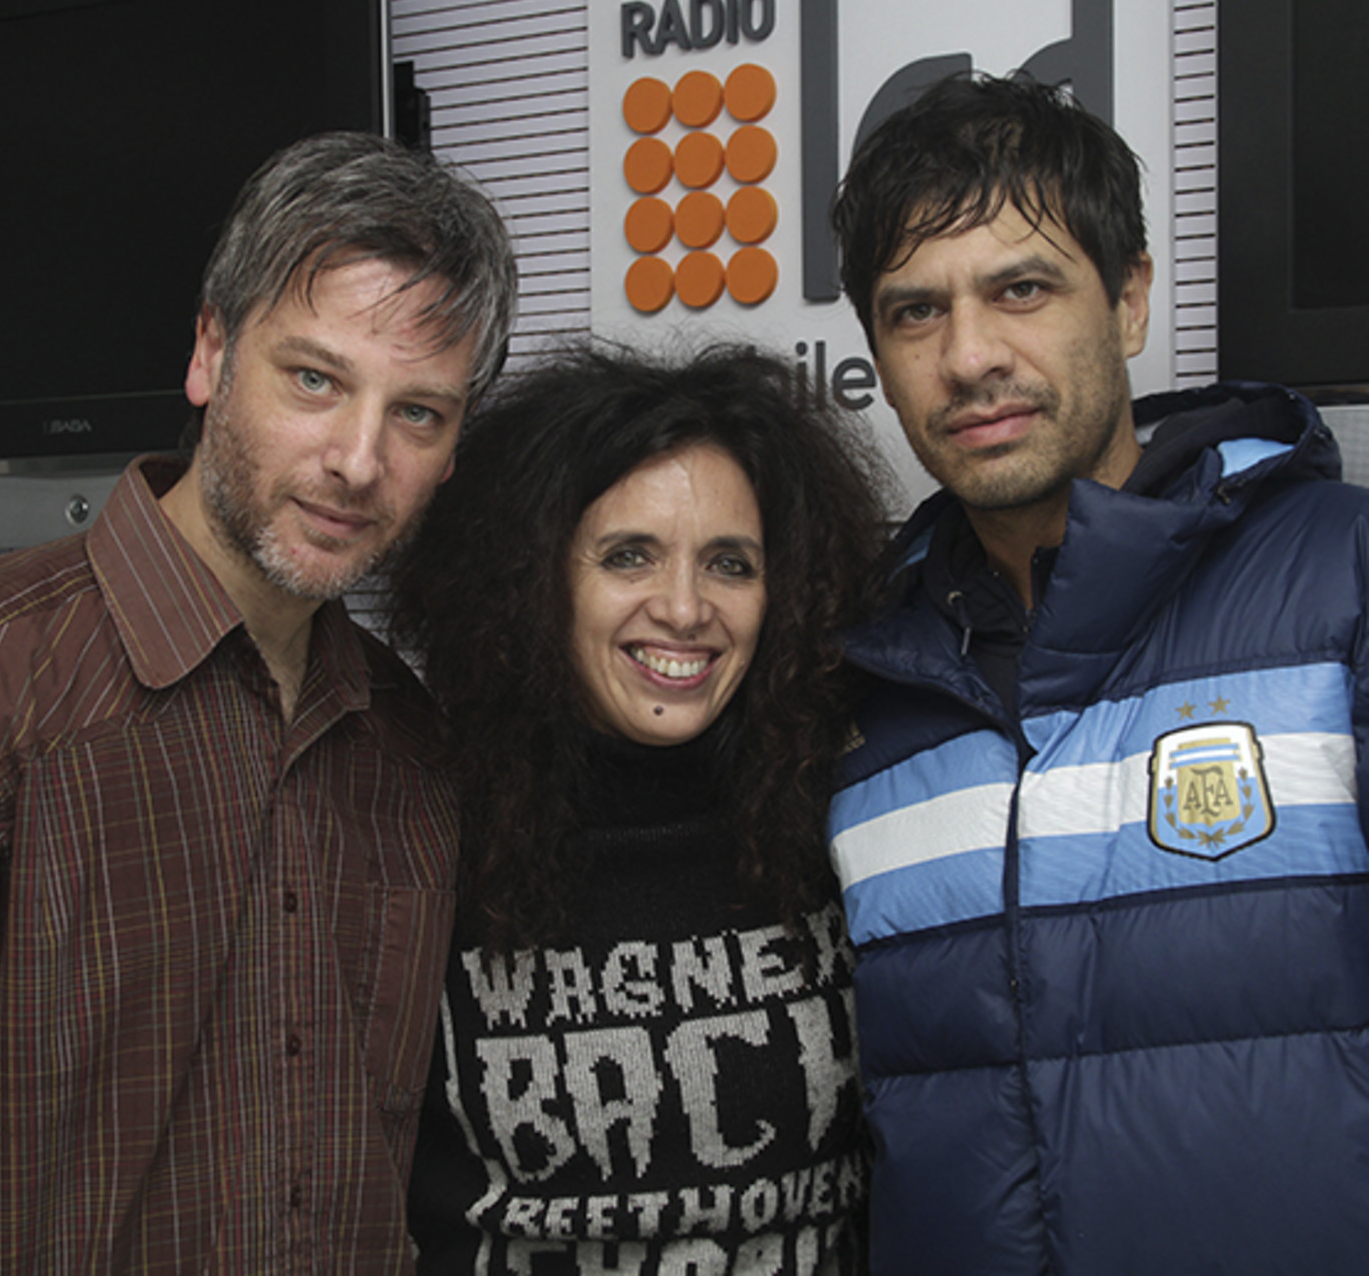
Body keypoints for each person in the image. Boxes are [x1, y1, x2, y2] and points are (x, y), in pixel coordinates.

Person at [826, 69, 1369, 1273]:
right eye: (914, 311)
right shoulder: (854, 679)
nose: (967, 355)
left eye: (1019, 288)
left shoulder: (1340, 577)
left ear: (1127, 299)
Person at [0, 130, 518, 1270]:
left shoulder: (413, 749)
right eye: (315, 379)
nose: (357, 460)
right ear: (211, 353)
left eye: (417, 413)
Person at [390, 345, 886, 1275]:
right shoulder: (416, 833)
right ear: (530, 581)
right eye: (629, 556)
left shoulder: (852, 813)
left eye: (730, 564)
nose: (685, 608)